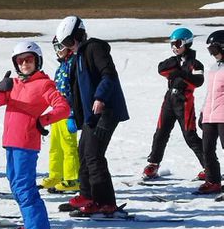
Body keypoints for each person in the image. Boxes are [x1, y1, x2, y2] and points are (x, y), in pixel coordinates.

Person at [0, 40, 71, 229]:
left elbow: (63, 108)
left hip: (26, 143)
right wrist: (0, 88)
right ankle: (31, 227)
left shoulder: (44, 84)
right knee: (16, 186)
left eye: (29, 60)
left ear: (37, 61)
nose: (25, 64)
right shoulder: (15, 83)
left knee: (25, 188)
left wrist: (41, 121)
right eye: (21, 60)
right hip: (10, 142)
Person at [55, 15, 129, 215]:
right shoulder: (78, 56)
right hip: (91, 115)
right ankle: (87, 195)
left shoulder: (94, 48)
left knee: (94, 155)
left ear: (79, 34)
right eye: (65, 44)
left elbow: (109, 74)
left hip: (106, 110)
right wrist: (74, 115)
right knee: (83, 152)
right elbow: (76, 89)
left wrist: (101, 97)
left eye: (70, 42)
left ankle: (105, 201)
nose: (69, 47)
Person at [142, 27, 205, 180]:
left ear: (187, 43)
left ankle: (209, 165)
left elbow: (198, 81)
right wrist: (176, 64)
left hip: (184, 101)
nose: (174, 47)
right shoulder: (175, 61)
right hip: (169, 100)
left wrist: (182, 73)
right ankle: (153, 164)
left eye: (178, 43)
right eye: (172, 44)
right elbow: (161, 69)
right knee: (161, 132)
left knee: (190, 135)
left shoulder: (195, 64)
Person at [40, 37, 79, 192]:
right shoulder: (62, 66)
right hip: (58, 112)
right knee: (55, 146)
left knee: (69, 146)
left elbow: (76, 92)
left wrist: (73, 115)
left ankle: (72, 179)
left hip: (69, 113)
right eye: (55, 47)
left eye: (60, 47)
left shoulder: (73, 64)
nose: (58, 50)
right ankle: (56, 175)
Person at [195, 30, 224, 195]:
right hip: (210, 115)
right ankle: (213, 181)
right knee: (207, 149)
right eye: (210, 51)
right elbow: (210, 93)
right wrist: (202, 112)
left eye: (214, 50)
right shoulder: (214, 68)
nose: (212, 55)